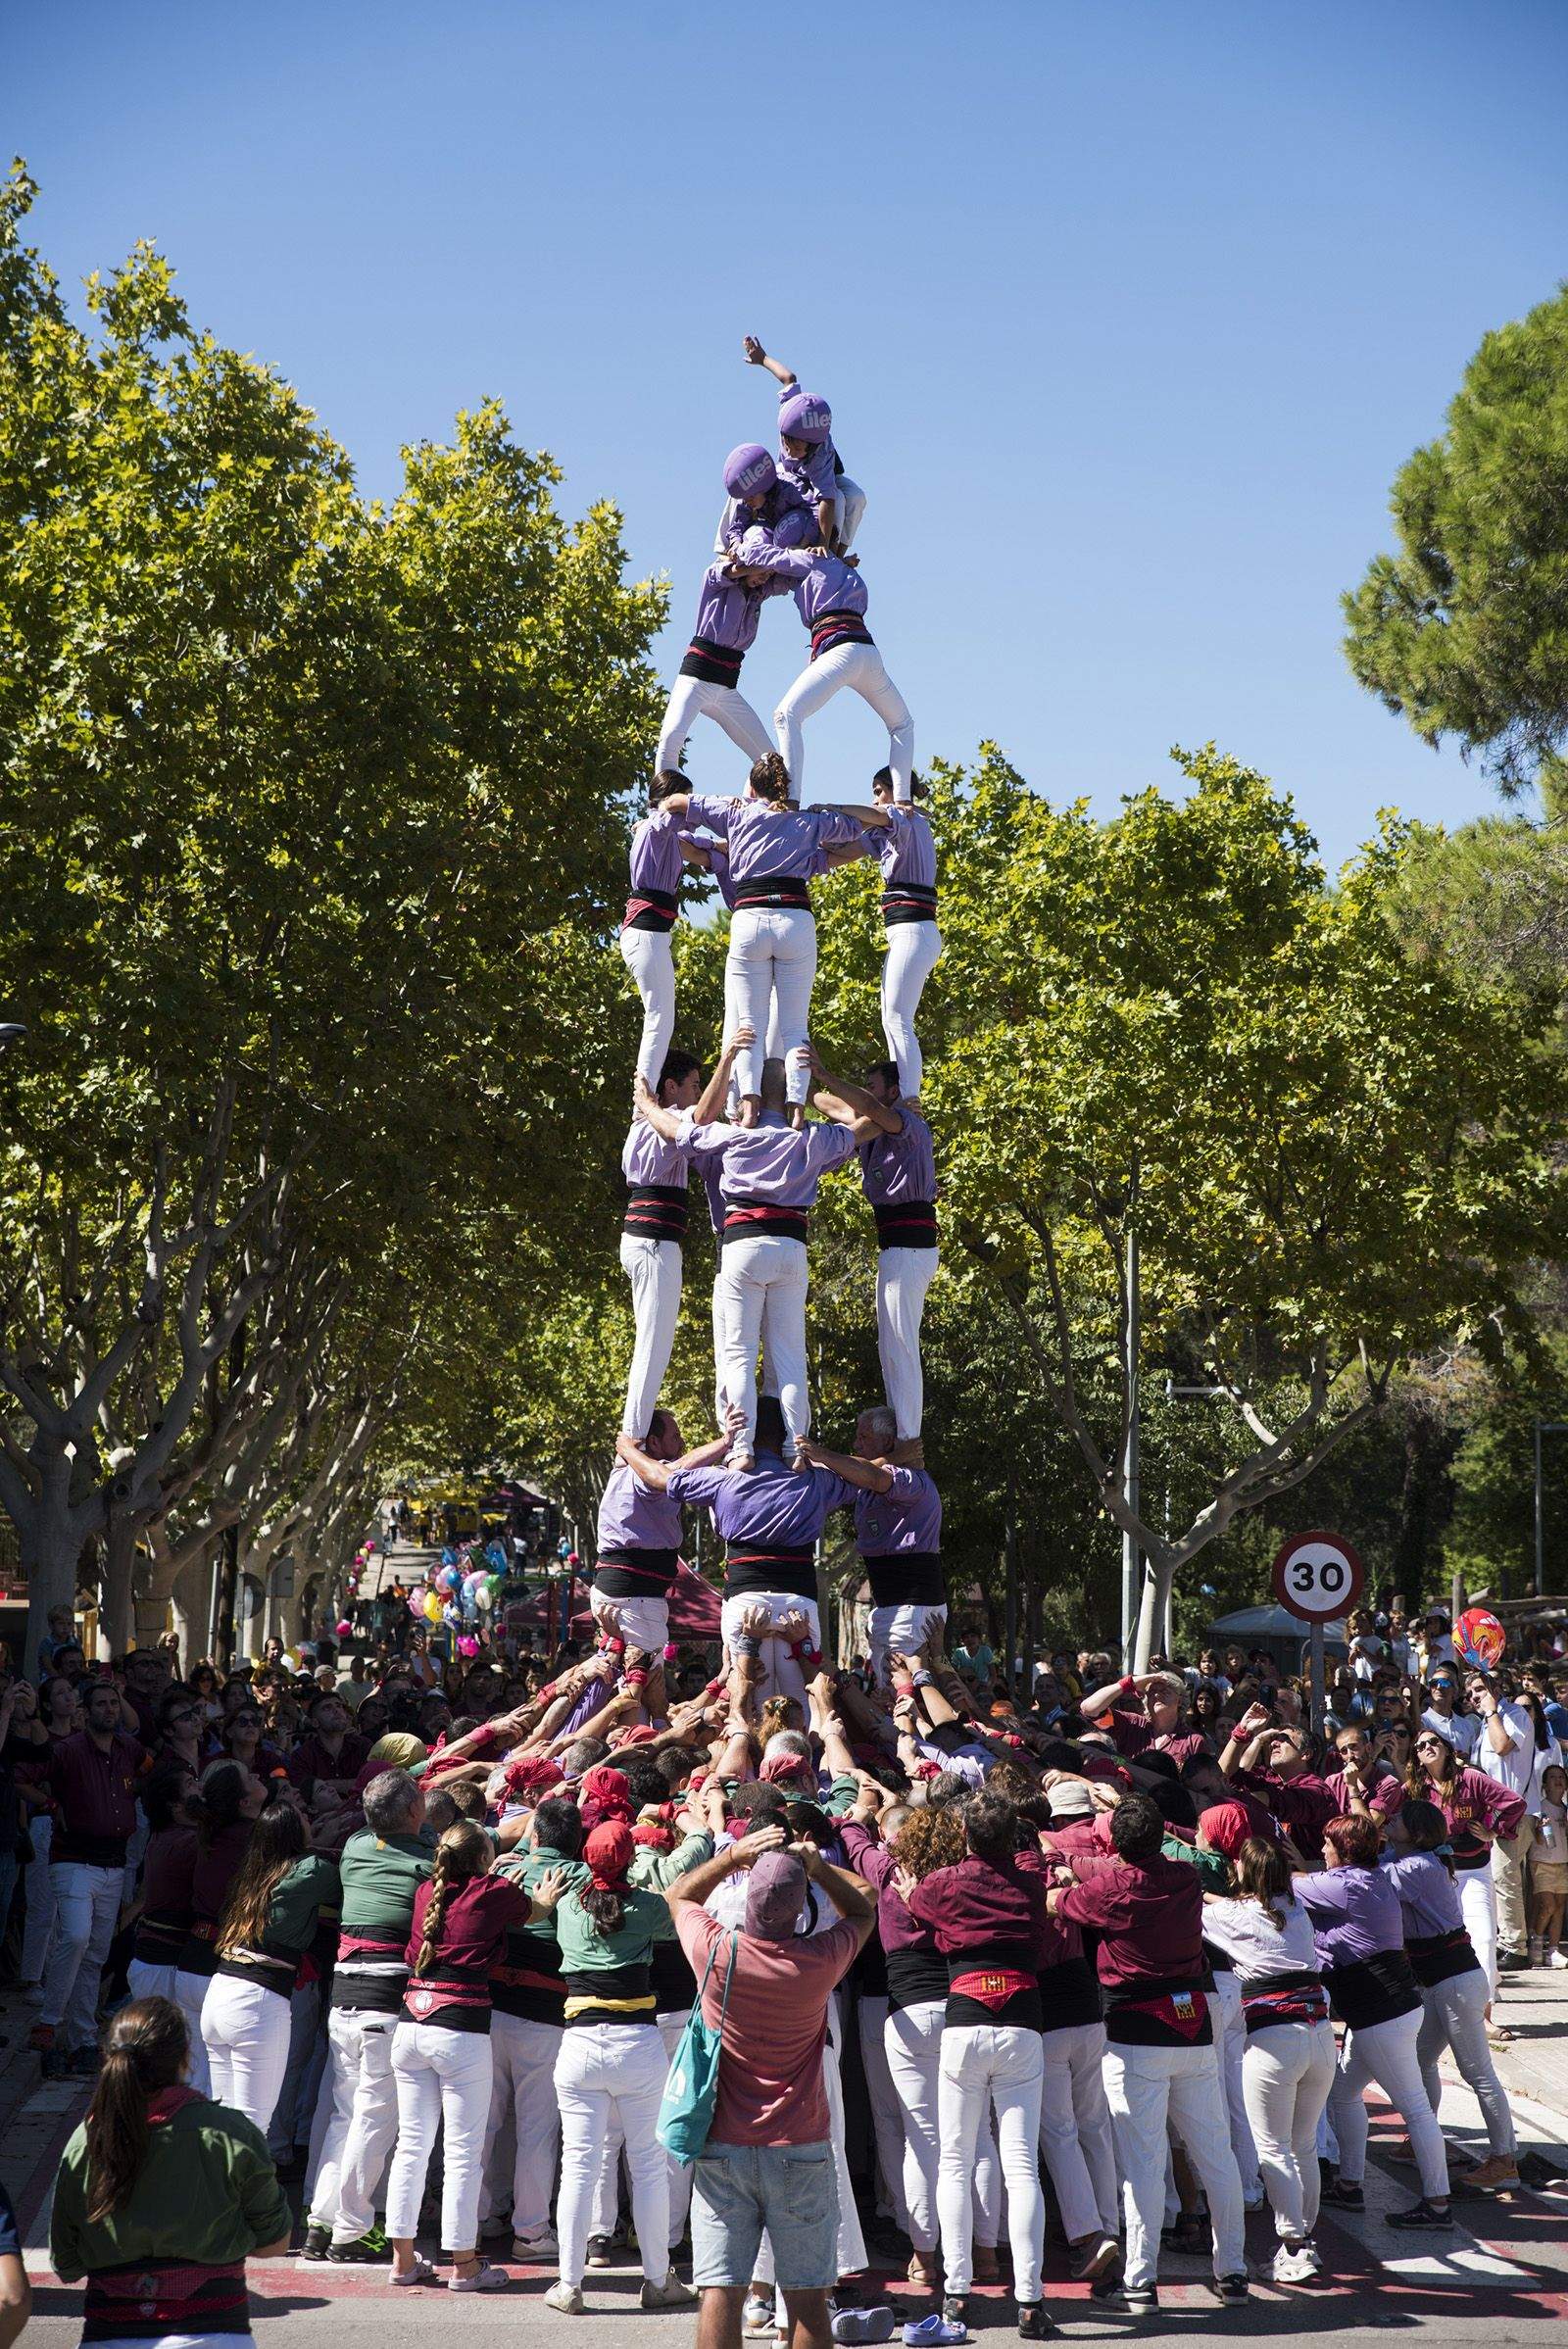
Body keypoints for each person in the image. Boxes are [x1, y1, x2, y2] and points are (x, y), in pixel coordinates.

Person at [666, 1824, 875, 2349]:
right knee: (806, 2297)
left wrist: (732, 1855)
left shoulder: (717, 1953)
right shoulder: (818, 1962)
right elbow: (864, 1910)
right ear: (799, 1910)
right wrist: (820, 1866)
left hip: (723, 2146)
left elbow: (679, 1893)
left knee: (721, 2291)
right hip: (800, 2145)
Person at [1048, 1789, 1248, 2316]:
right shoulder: (1184, 1877)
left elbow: (1058, 1905)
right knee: (1215, 2155)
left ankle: (1140, 2281)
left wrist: (1066, 1877)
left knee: (1141, 2163)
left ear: (1115, 1842)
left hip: (1136, 2033)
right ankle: (1233, 2270)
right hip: (1192, 2022)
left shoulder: (1111, 1886)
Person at [643, 1050, 893, 1463]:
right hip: (791, 1247)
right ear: (790, 1096)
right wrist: (841, 1093)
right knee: (790, 1355)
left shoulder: (733, 1135)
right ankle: (798, 1445)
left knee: (738, 1353)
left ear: (750, 1095)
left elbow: (676, 1132)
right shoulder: (810, 1138)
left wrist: (648, 1105)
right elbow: (868, 1126)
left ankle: (740, 1448)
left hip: (742, 1245)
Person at [902, 1790, 1071, 2335]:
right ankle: (1029, 2299)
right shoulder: (1028, 1882)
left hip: (965, 2018)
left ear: (968, 1836)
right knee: (1021, 2165)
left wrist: (909, 1890)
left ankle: (956, 2292)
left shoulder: (943, 1882)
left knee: (955, 2159)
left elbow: (915, 1902)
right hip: (1022, 2019)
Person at [50, 1998, 291, 2347]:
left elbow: (66, 2262)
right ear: (184, 2058)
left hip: (110, 2335)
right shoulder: (231, 2133)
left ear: (110, 2057)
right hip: (216, 2334)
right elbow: (275, 2242)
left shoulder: (85, 2140)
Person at [657, 759, 888, 1114]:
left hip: (750, 917)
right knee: (795, 1026)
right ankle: (796, 1106)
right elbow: (860, 826)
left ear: (752, 787)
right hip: (794, 917)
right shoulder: (807, 821)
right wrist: (876, 813)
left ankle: (749, 1103)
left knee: (750, 1023)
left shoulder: (736, 812)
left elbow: (676, 802)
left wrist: (667, 815)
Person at [534, 1814, 697, 2315]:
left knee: (579, 2166)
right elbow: (680, 1897)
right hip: (638, 2045)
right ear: (630, 1859)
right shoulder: (648, 1906)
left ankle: (569, 2284)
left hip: (579, 2044)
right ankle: (656, 2279)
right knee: (648, 2168)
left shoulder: (563, 1904)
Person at [619, 1395, 856, 1706]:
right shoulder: (815, 1481)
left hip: (745, 1602)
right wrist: (821, 1456)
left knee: (745, 1702)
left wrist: (625, 1448)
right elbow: (872, 1476)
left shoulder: (724, 1479)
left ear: (749, 1435)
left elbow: (658, 1478)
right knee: (803, 1704)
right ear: (785, 1436)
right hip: (798, 1602)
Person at [385, 1820, 539, 2290]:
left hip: (411, 2022)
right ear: (482, 1857)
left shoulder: (426, 1891)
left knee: (412, 2145)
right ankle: (465, 2264)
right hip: (459, 2031)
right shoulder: (492, 1889)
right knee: (462, 2151)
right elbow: (533, 1911)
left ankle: (403, 2262)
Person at [301, 1766, 434, 2264]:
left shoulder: (357, 1845)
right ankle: (352, 2231)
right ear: (416, 1813)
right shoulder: (426, 1861)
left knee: (346, 2115)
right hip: (384, 2006)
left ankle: (322, 2220)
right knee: (374, 2121)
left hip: (344, 2002)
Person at [1295, 1812, 1452, 2230]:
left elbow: (1279, 1886)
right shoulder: (1375, 1877)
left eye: (1328, 1843)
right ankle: (1350, 2185)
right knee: (1343, 2094)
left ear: (1344, 1850)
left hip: (1383, 2012)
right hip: (1385, 2010)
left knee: (1415, 2109)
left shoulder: (1344, 1884)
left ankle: (1437, 2205)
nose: (1322, 1850)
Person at [1199, 1836, 1335, 2284]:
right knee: (1304, 2145)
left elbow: (1201, 1908)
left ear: (1246, 1872)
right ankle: (1306, 2240)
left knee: (1273, 2148)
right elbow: (1250, 1906)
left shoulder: (1232, 1916)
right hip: (1319, 2035)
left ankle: (1293, 2246)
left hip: (1274, 2040)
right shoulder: (1298, 1912)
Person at [1384, 1799, 1518, 2190]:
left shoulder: (1417, 1867)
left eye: (1399, 1818)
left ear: (1419, 1834)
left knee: (1477, 2072)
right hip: (1440, 1980)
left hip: (1455, 1980)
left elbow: (1364, 1879)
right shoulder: (1409, 1859)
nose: (1390, 1818)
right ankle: (1422, 2138)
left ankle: (1504, 2159)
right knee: (1422, 2059)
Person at [479, 1793, 589, 2260]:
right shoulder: (583, 1875)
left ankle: (481, 2218)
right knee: (537, 2130)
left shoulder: (506, 1869)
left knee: (486, 2124)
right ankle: (531, 2233)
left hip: (491, 2011)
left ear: (536, 1834)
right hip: (546, 2017)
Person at [740, 536, 916, 808]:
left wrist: (736, 548)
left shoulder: (808, 559)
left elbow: (763, 556)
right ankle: (903, 800)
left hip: (840, 651)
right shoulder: (845, 569)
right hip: (868, 653)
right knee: (902, 724)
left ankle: (791, 799)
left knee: (786, 715)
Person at [30, 1673, 150, 2076]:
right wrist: (50, 1804)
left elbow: (149, 1760)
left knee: (96, 1952)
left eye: (113, 1703)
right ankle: (49, 2023)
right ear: (85, 1711)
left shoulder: (128, 1750)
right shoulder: (66, 1750)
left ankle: (82, 2037)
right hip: (73, 1860)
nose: (109, 1710)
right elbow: (21, 1777)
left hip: (113, 1863)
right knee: (76, 1937)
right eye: (100, 1704)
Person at [201, 1801, 338, 2134]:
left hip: (219, 1991)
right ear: (294, 1831)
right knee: (252, 2126)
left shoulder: (251, 1871)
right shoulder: (310, 1869)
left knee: (224, 2121)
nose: (310, 1818)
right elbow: (344, 1883)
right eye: (305, 1817)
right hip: (258, 2001)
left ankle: (218, 2187)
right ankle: (246, 2187)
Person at [797, 1409, 944, 1682]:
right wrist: (891, 1457)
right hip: (888, 1608)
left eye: (864, 1437)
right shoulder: (865, 1477)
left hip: (910, 1608)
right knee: (893, 1695)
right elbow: (827, 1472)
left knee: (910, 1694)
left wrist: (823, 1453)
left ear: (888, 1441)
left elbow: (877, 1477)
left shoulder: (911, 1480)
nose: (856, 1445)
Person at [593, 1409, 728, 1653]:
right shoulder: (644, 1474)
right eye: (675, 1436)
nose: (682, 1442)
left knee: (627, 1675)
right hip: (634, 1596)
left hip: (634, 1594)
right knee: (641, 1684)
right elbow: (673, 1473)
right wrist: (726, 1441)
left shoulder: (626, 1470)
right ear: (654, 1442)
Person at [1407, 1723, 1524, 1999]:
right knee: (1437, 1942)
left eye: (1433, 1742)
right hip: (1435, 1876)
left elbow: (1515, 1802)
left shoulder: (1472, 1778)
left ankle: (1483, 2011)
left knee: (1483, 1938)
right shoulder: (1414, 1789)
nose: (1428, 1748)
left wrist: (1494, 1830)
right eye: (1421, 1746)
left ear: (1447, 1749)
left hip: (1474, 1872)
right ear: (1417, 1758)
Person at [856, 1063, 939, 1441]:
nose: (867, 1093)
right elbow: (834, 1105)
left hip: (909, 1247)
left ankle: (908, 1439)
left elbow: (870, 1112)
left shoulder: (907, 1126)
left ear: (892, 1092)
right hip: (895, 1248)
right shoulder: (874, 1129)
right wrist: (809, 1085)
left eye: (873, 1086)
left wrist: (824, 1077)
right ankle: (899, 1433)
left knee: (902, 1344)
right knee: (890, 1345)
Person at [653, 570, 781, 791]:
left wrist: (830, 561)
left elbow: (793, 573)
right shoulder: (717, 581)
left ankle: (753, 814)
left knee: (771, 761)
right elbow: (721, 569)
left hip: (726, 689)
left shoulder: (759, 592)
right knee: (670, 743)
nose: (764, 578)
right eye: (761, 571)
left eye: (770, 574)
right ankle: (661, 812)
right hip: (695, 680)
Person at [740, 337, 866, 553]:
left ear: (812, 446)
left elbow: (826, 499)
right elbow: (789, 378)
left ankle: (837, 554)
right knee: (746, 483)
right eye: (788, 445)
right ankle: (723, 547)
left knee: (854, 498)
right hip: (786, 475)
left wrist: (823, 545)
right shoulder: (793, 411)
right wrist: (763, 359)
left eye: (798, 449)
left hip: (814, 478)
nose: (791, 451)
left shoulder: (820, 455)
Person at [868, 775, 941, 1100]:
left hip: (914, 930)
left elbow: (872, 816)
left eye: (879, 792)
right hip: (909, 934)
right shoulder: (892, 829)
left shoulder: (906, 817)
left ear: (896, 793)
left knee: (898, 1019)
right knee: (891, 1019)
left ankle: (910, 1100)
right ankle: (902, 1095)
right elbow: (846, 846)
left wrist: (832, 809)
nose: (875, 800)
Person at [1467, 1669, 1538, 1968]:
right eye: (1470, 1693)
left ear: (1496, 1688)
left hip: (1515, 1814)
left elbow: (1502, 1746)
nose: (1475, 1697)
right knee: (1498, 1878)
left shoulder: (1515, 1714)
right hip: (1493, 1816)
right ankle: (1504, 1940)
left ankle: (1516, 1947)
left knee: (1505, 1877)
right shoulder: (1484, 1722)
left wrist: (1492, 1710)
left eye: (1480, 1689)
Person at [1530, 1759, 1568, 1967]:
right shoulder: (1541, 1808)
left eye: (1561, 1777)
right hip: (1542, 1862)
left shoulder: (1565, 1809)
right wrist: (1541, 1828)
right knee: (1548, 1905)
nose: (1558, 1781)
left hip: (1562, 1863)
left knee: (1560, 1907)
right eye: (1552, 1777)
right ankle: (1536, 1942)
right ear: (1544, 1785)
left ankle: (1553, 1950)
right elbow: (1543, 1840)